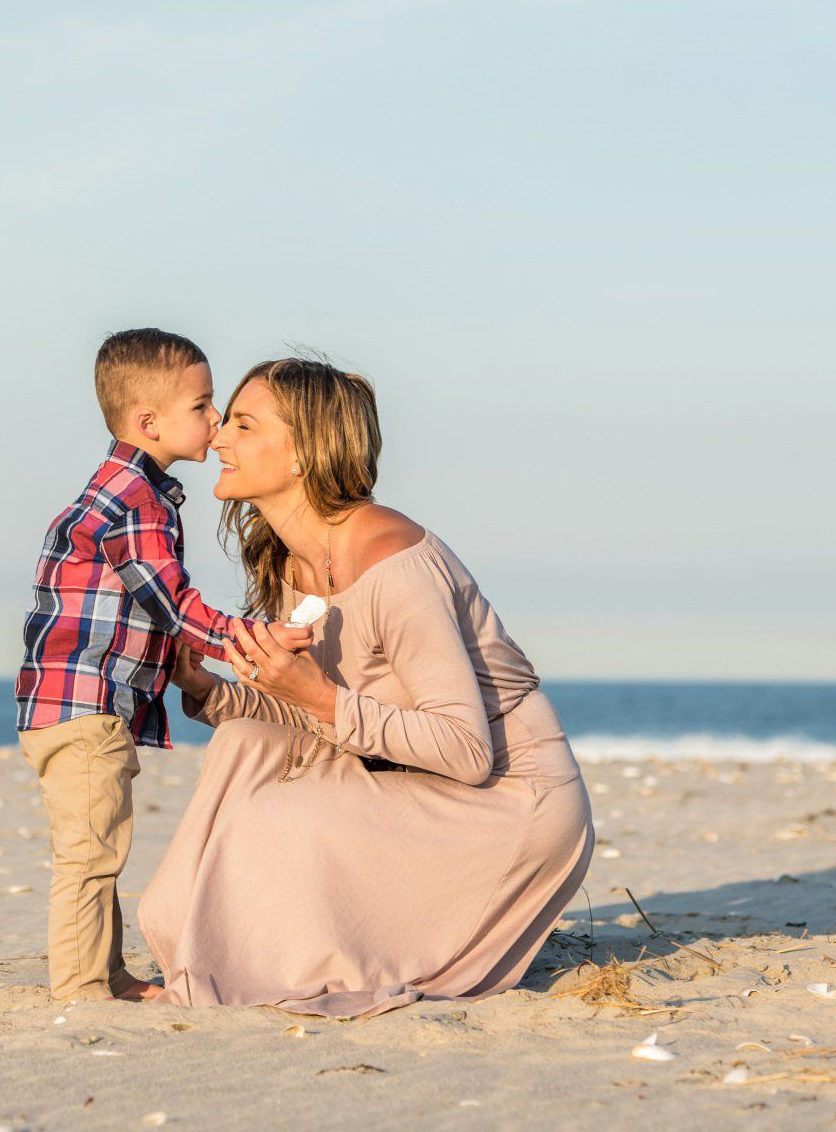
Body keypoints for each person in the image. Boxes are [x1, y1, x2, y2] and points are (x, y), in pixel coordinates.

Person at [138, 357, 593, 1017]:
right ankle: (209, 944)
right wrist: (203, 684)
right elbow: (313, 709)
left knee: (278, 817)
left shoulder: (393, 562)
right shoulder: (291, 558)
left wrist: (313, 694)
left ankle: (263, 959)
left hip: (510, 801)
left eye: (242, 423)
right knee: (244, 744)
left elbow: (466, 749)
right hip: (413, 774)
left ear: (302, 452)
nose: (217, 439)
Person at [13, 329, 312, 1003]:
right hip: (80, 705)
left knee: (101, 846)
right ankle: (81, 985)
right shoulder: (132, 504)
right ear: (150, 423)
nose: (216, 422)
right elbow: (176, 607)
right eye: (204, 407)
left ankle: (107, 973)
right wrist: (259, 638)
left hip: (75, 704)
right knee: (89, 854)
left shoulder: (128, 492)